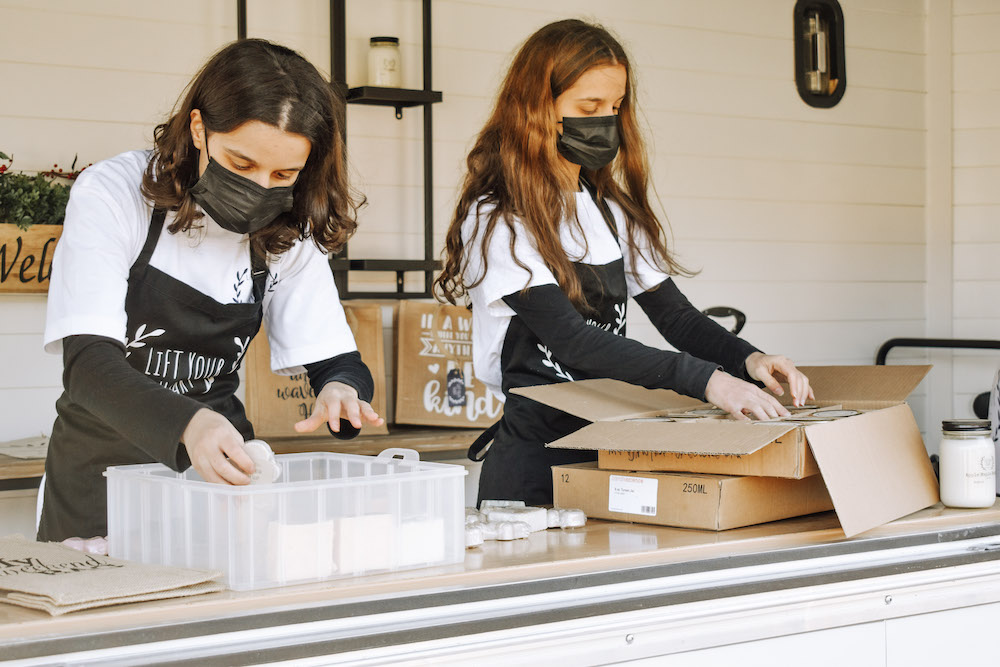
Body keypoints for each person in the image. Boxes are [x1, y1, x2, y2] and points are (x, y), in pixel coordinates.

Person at [435, 20, 814, 506]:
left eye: (615, 107)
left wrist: (748, 359)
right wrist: (706, 381)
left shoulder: (609, 210)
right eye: (588, 107)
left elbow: (675, 317)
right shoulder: (500, 218)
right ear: (537, 107)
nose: (605, 121)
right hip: (533, 466)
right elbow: (570, 341)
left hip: (609, 450)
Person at [38, 39, 383, 543]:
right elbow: (88, 364)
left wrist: (342, 390)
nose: (262, 188)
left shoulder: (289, 230)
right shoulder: (114, 193)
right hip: (99, 488)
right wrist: (190, 425)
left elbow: (337, 361)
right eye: (242, 165)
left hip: (224, 486)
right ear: (199, 129)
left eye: (283, 174)